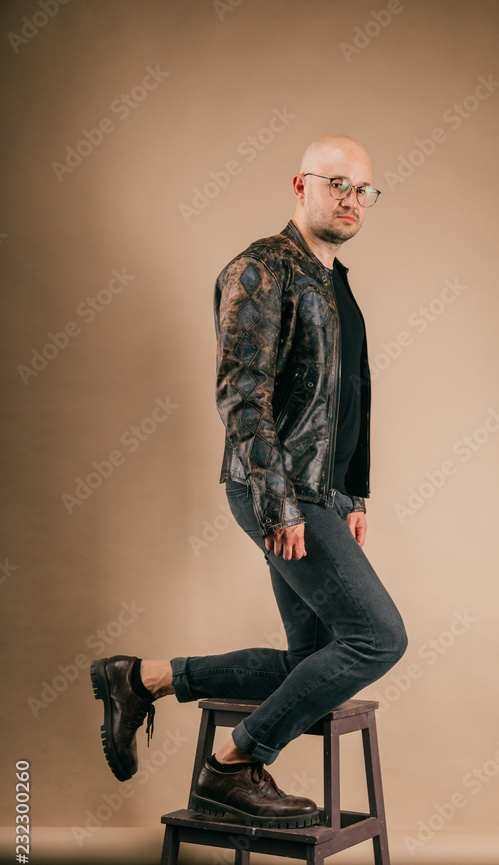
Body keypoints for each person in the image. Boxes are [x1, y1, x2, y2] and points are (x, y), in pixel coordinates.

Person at [90, 133, 408, 830]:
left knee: (311, 659)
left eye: (363, 190)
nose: (350, 200)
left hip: (320, 493)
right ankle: (232, 765)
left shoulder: (335, 281)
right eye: (336, 184)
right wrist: (278, 502)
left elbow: (348, 393)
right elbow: (243, 393)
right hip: (280, 488)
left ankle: (140, 678)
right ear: (300, 187)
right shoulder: (263, 268)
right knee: (377, 638)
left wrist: (352, 494)